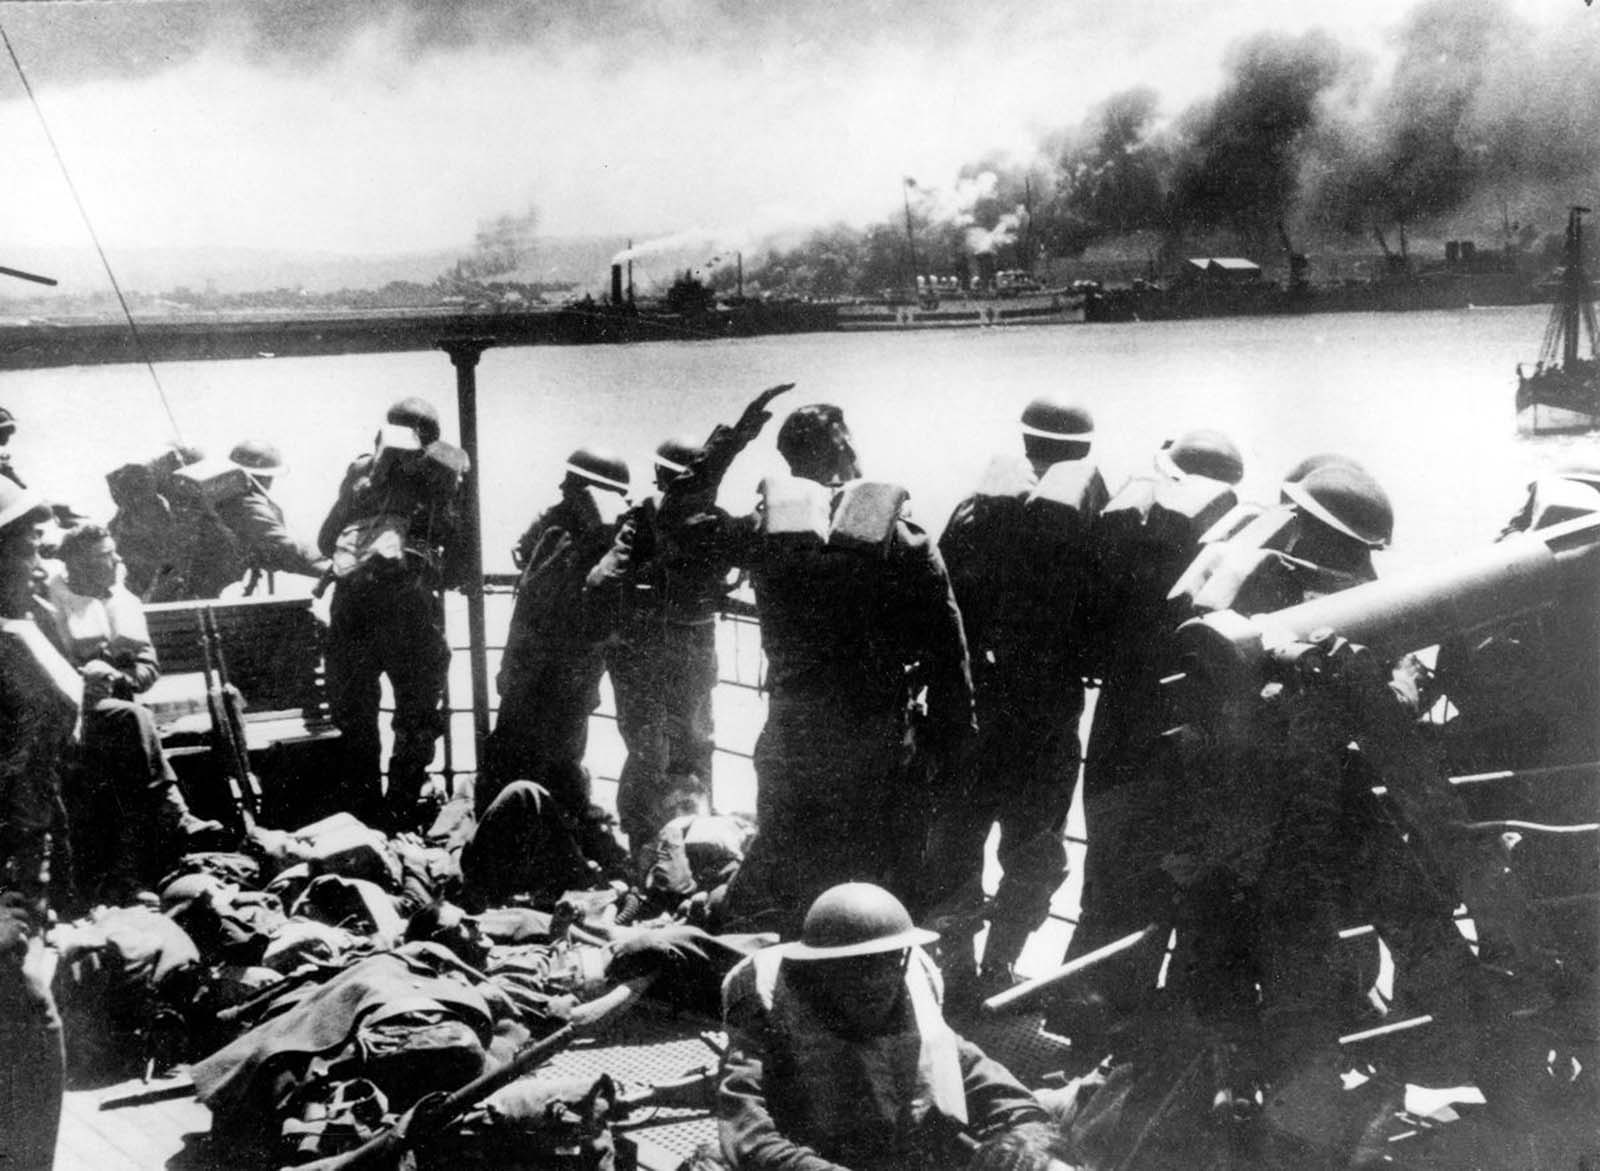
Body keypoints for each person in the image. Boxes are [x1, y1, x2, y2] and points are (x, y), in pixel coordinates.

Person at [717, 402, 975, 935]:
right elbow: (948, 652)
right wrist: (954, 744)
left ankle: (786, 986)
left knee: (791, 872)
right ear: (843, 449)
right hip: (873, 740)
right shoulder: (904, 540)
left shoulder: (761, 535)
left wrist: (728, 443)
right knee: (877, 882)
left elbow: (684, 525)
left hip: (791, 733)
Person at [1060, 429, 1243, 1011]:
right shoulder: (1224, 541)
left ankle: (1084, 1006)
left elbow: (1086, 628)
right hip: (1180, 721)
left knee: (1109, 866)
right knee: (1171, 868)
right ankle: (1145, 1018)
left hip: (1117, 716)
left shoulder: (1126, 532)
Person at [930, 396, 1109, 988]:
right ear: (1083, 450)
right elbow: (1105, 608)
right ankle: (1000, 964)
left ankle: (952, 966)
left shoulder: (972, 511)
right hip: (1046, 709)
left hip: (970, 703)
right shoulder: (1087, 513)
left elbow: (941, 594)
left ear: (1025, 442)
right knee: (1036, 848)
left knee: (957, 835)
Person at [718, 882, 1050, 1169]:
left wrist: (1027, 1140)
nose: (876, 980)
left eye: (888, 961)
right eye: (857, 967)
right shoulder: (773, 1016)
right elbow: (749, 1134)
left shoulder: (915, 1004)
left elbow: (986, 1079)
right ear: (821, 970)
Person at [317, 397, 468, 832]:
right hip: (412, 613)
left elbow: (328, 540)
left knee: (356, 718)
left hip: (351, 612)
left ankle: (361, 815)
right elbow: (461, 557)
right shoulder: (445, 477)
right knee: (417, 718)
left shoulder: (362, 472)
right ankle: (399, 815)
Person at [586, 434, 733, 851]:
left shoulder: (643, 517)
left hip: (644, 650)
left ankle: (644, 843)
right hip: (697, 647)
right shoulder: (716, 520)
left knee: (647, 749)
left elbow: (603, 580)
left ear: (661, 474)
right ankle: (695, 843)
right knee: (695, 744)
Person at [482, 446, 631, 820]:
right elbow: (546, 594)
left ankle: (547, 829)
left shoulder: (572, 531)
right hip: (547, 670)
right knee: (532, 754)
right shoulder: (564, 531)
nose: (564, 486)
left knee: (551, 754)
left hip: (552, 670)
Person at [0, 479, 75, 1169]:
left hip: (25, 884)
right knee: (30, 1030)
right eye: (25, 545)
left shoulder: (19, 633)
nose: (39, 562)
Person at [208, 440, 330, 594]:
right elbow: (285, 550)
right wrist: (328, 554)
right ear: (265, 478)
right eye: (270, 477)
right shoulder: (245, 503)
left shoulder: (221, 497)